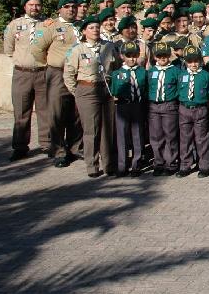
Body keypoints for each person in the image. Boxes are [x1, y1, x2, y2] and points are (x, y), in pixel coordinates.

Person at [31, 0, 81, 168]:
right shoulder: (51, 26)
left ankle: (75, 147)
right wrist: (50, 63)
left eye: (74, 7)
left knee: (77, 112)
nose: (71, 10)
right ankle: (59, 151)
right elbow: (37, 49)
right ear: (60, 9)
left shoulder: (81, 26)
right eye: (67, 7)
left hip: (79, 74)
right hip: (58, 73)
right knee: (57, 112)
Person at [63, 15, 112, 177]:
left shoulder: (108, 47)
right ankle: (92, 165)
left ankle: (109, 164)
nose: (95, 30)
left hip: (106, 89)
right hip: (87, 90)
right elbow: (69, 74)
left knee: (107, 129)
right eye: (91, 28)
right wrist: (77, 92)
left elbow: (116, 66)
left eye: (97, 27)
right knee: (92, 129)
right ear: (84, 31)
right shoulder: (78, 49)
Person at [3, 0, 50, 161]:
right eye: (31, 5)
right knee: (21, 112)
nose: (34, 8)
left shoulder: (48, 24)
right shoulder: (14, 25)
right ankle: (20, 147)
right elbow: (8, 49)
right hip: (22, 74)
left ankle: (46, 144)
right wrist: (23, 61)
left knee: (45, 111)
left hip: (43, 73)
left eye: (37, 5)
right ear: (25, 7)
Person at [109, 41, 147, 177]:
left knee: (137, 135)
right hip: (122, 106)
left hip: (138, 105)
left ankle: (137, 164)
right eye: (128, 55)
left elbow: (146, 89)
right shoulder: (116, 73)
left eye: (134, 55)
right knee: (122, 136)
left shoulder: (143, 72)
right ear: (122, 56)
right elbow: (114, 91)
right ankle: (122, 165)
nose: (131, 59)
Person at [177, 45, 209, 178]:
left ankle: (204, 165)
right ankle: (185, 165)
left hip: (200, 109)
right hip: (184, 109)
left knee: (202, 139)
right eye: (190, 61)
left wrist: (204, 106)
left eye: (196, 61)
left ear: (200, 61)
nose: (193, 64)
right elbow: (178, 91)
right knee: (185, 139)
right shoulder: (181, 75)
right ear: (185, 62)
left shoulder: (206, 75)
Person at [147, 41, 181, 176]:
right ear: (155, 57)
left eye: (165, 55)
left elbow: (180, 88)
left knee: (170, 135)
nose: (162, 58)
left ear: (169, 56)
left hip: (169, 105)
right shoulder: (151, 71)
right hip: (154, 106)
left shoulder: (175, 71)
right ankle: (158, 163)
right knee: (156, 136)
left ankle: (171, 163)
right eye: (159, 56)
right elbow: (147, 87)